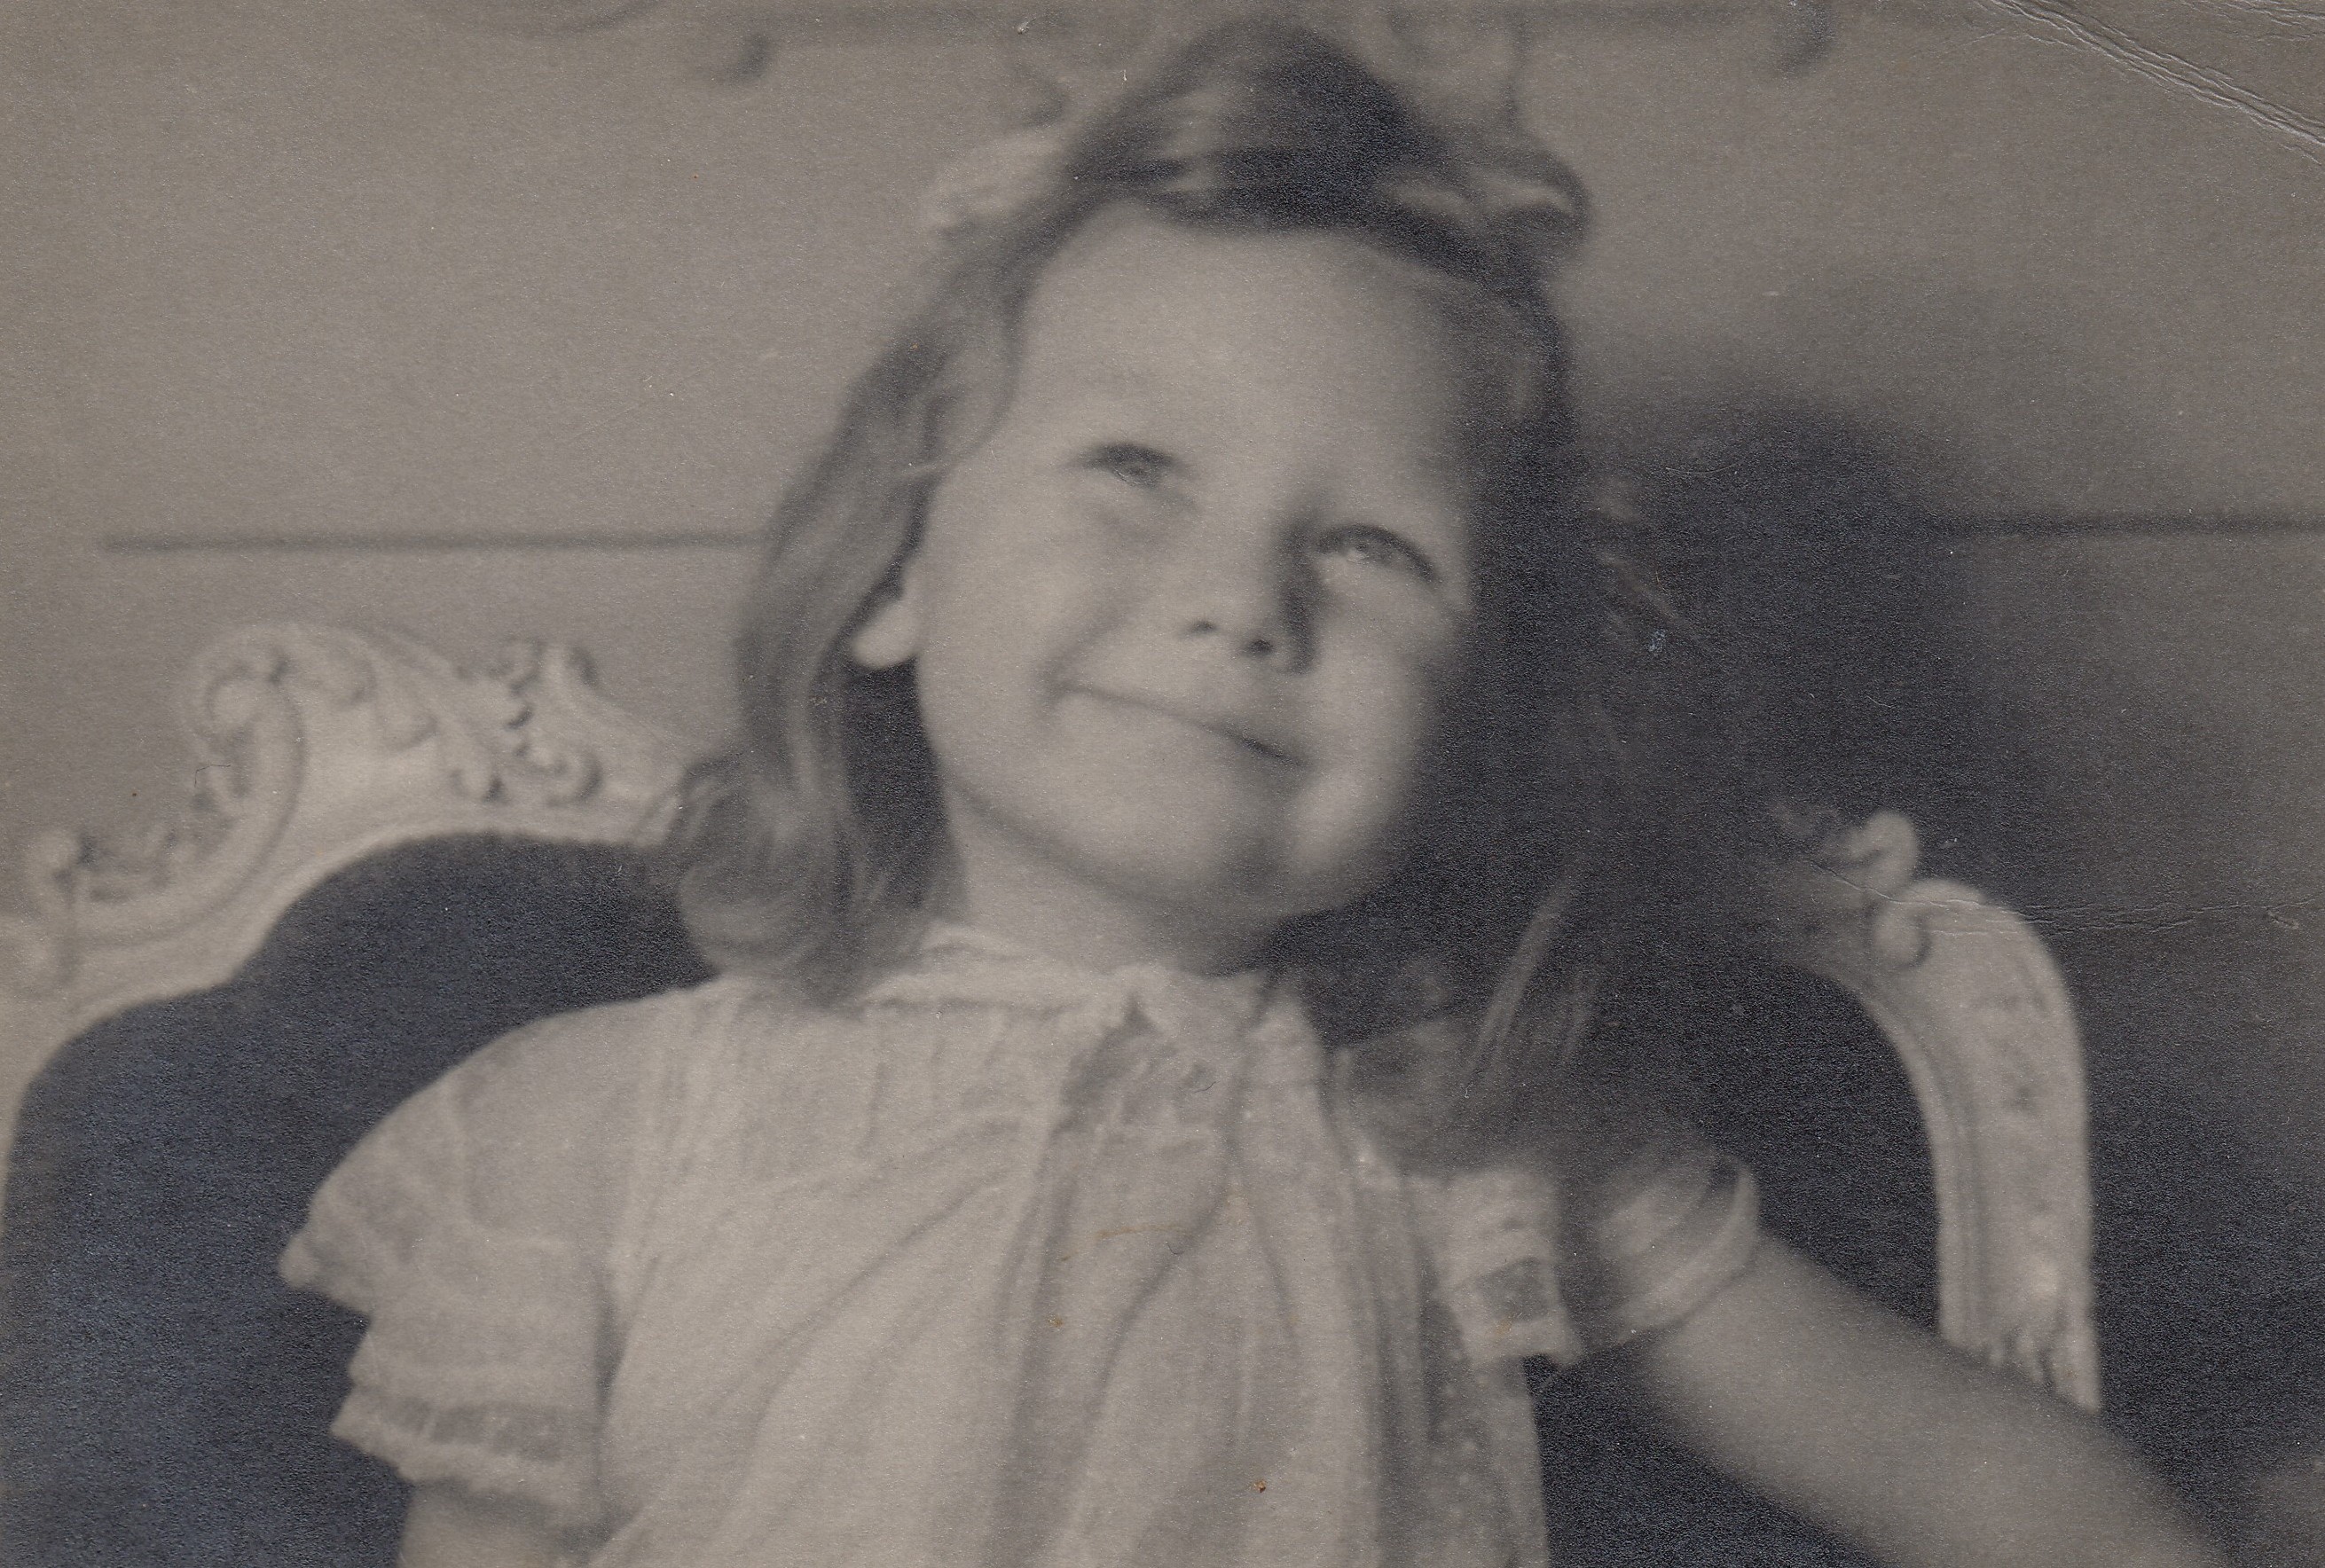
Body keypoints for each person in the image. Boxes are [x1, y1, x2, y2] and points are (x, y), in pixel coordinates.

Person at [279, 18, 2225, 1567]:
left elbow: (1985, 1480)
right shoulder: (601, 1129)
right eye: (1135, 469)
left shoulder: (1472, 1143)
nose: (1240, 600)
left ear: (1477, 714)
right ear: (894, 571)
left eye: (1372, 547)